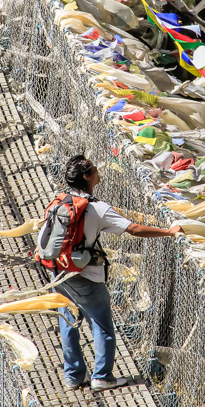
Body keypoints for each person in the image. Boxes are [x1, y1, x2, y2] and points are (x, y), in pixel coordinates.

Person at [41, 155, 182, 391]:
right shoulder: (97, 208)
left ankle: (73, 376)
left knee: (68, 322)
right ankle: (102, 376)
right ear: (87, 177)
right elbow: (134, 229)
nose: (98, 171)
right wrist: (169, 232)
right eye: (95, 169)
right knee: (102, 325)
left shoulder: (59, 202)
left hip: (59, 271)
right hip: (87, 276)